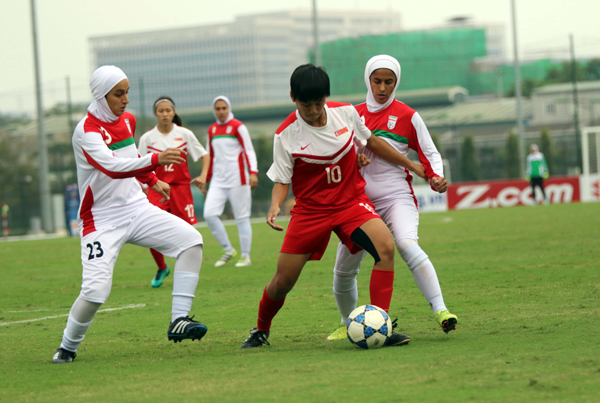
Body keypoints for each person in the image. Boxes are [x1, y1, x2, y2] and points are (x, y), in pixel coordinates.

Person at [241, 64, 426, 349]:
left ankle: (381, 326)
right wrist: (274, 206)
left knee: (386, 249)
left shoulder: (346, 113)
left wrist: (411, 164)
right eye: (306, 104)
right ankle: (260, 329)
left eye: (319, 103)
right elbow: (281, 180)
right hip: (310, 212)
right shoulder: (285, 134)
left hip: (350, 203)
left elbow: (372, 142)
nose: (314, 111)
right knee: (283, 281)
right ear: (293, 97)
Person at [52, 66, 208, 364]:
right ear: (101, 96)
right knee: (96, 291)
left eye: (126, 93)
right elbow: (111, 165)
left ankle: (179, 320)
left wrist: (152, 180)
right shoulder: (86, 131)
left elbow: (129, 159)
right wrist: (156, 160)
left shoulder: (128, 120)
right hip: (101, 220)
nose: (125, 100)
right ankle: (67, 347)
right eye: (118, 94)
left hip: (137, 208)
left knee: (191, 241)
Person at [326, 55, 458, 341]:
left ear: (396, 82)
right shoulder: (351, 114)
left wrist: (436, 175)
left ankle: (441, 310)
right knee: (344, 269)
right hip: (359, 202)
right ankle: (345, 322)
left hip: (397, 196)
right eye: (377, 81)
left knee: (407, 245)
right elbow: (337, 152)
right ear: (368, 80)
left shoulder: (409, 115)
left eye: (389, 81)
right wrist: (353, 159)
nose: (382, 87)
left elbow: (429, 152)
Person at [138, 96, 210, 288]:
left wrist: (203, 176)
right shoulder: (147, 138)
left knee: (188, 233)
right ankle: (162, 267)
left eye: (168, 110)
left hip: (180, 189)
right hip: (157, 188)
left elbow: (204, 155)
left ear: (174, 112)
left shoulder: (184, 134)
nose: (165, 114)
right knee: (149, 229)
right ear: (155, 113)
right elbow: (137, 165)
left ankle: (186, 273)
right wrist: (142, 187)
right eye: (161, 111)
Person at [204, 96, 258, 267]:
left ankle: (246, 256)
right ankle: (228, 249)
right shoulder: (211, 130)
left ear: (229, 108)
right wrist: (205, 178)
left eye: (224, 108)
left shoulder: (238, 127)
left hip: (238, 179)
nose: (221, 112)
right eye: (218, 108)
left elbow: (248, 151)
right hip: (218, 181)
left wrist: (253, 173)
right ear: (214, 110)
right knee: (209, 214)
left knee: (241, 218)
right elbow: (209, 156)